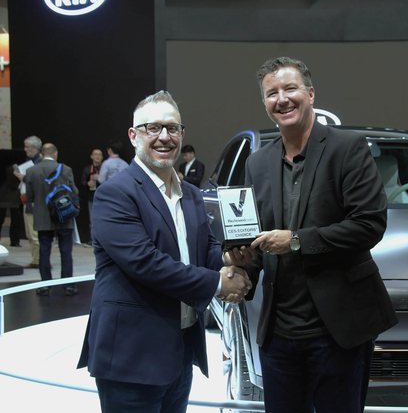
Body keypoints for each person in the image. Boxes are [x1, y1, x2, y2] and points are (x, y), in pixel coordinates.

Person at [226, 57, 398, 413]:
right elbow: (257, 237)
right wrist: (242, 263)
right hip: (279, 334)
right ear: (265, 103)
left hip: (338, 329)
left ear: (311, 94)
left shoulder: (347, 148)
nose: (282, 99)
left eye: (290, 88)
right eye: (272, 93)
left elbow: (369, 224)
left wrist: (295, 240)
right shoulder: (257, 163)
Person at [77, 91, 252, 413]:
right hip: (132, 356)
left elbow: (204, 249)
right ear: (134, 136)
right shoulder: (115, 194)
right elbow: (146, 263)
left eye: (172, 128)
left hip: (180, 349)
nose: (164, 137)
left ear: (182, 134)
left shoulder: (191, 194)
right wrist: (219, 283)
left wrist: (228, 259)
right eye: (153, 128)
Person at [24, 143, 79, 296]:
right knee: (66, 252)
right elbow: (74, 191)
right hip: (64, 215)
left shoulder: (31, 171)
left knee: (44, 252)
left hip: (43, 217)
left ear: (41, 155)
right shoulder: (66, 169)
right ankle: (68, 285)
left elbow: (29, 197)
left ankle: (45, 286)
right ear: (55, 154)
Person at [13, 136, 42, 268]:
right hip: (27, 199)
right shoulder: (30, 162)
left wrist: (24, 178)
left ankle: (39, 260)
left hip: (34, 201)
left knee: (34, 233)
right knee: (30, 233)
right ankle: (36, 259)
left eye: (27, 147)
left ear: (35, 148)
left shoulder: (39, 163)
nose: (25, 149)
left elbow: (39, 182)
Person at [81, 148, 103, 245]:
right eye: (95, 154)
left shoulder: (104, 168)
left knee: (103, 218)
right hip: (91, 197)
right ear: (92, 156)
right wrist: (87, 183)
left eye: (99, 154)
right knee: (92, 219)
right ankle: (93, 239)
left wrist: (100, 178)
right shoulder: (87, 169)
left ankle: (103, 240)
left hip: (103, 198)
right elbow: (82, 181)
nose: (97, 156)